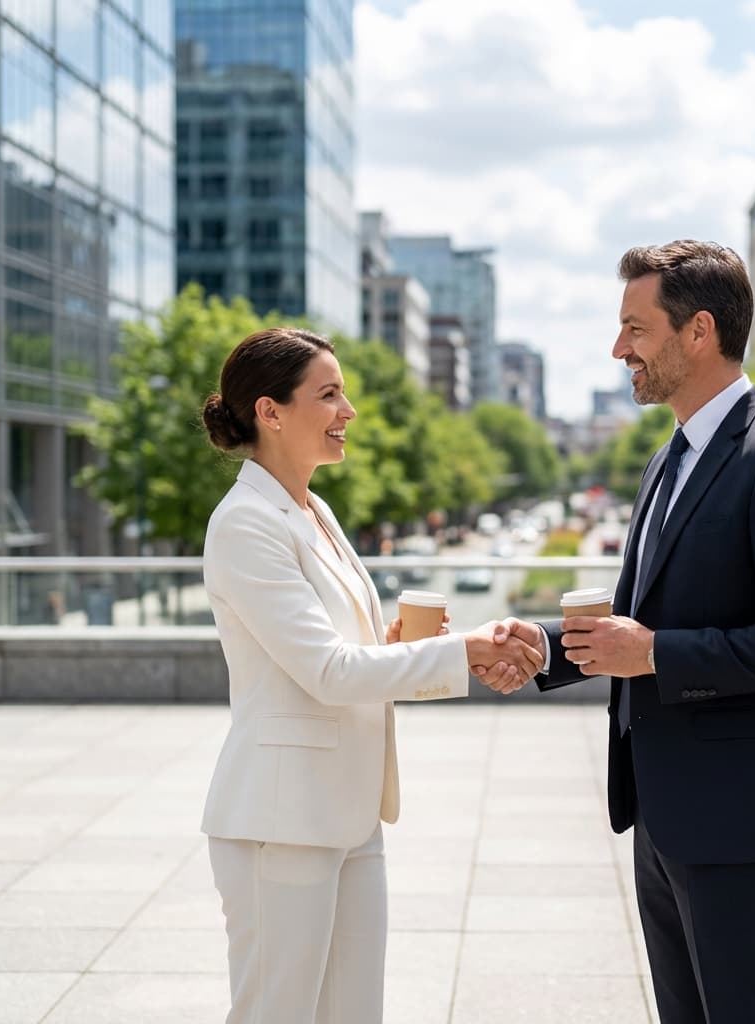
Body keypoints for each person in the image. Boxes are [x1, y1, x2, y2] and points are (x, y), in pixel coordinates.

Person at [492, 241, 755, 1023]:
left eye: (635, 328)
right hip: (664, 812)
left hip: (741, 821)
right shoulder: (669, 459)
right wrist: (544, 645)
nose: (618, 348)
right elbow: (640, 613)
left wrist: (653, 655)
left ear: (698, 332)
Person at [198, 326, 542, 1024]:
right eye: (328, 394)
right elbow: (327, 670)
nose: (348, 411)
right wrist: (463, 653)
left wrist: (397, 646)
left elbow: (335, 651)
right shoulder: (245, 523)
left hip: (347, 812)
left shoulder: (313, 511)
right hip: (283, 819)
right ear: (270, 412)